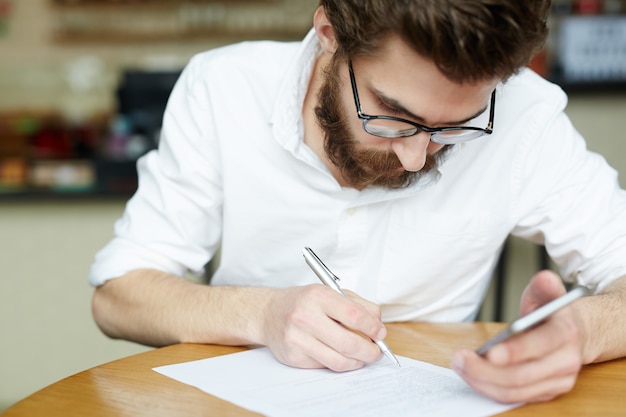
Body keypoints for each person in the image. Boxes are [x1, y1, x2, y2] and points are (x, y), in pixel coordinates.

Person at [89, 0, 626, 404]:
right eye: (390, 112)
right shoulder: (223, 86)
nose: (417, 157)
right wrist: (264, 313)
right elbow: (118, 298)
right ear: (329, 33)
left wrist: (580, 332)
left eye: (455, 126)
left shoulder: (524, 116)